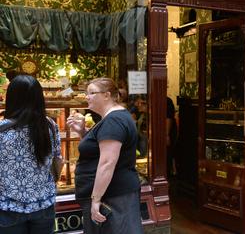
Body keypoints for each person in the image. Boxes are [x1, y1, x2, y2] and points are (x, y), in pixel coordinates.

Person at [67, 77, 143, 233]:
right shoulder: (113, 118)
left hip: (113, 196)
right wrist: (82, 132)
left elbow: (107, 163)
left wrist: (96, 200)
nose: (86, 97)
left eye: (91, 93)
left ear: (107, 95)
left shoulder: (113, 120)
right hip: (114, 193)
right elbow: (98, 151)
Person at [0, 75, 62, 233]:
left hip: (8, 206)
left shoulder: (2, 129)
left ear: (11, 98)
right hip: (43, 204)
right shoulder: (49, 125)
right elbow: (58, 161)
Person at [166, 97, 178, 177]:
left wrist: (166, 134)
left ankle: (169, 174)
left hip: (168, 132)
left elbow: (168, 118)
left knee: (169, 152)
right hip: (165, 132)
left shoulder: (167, 101)